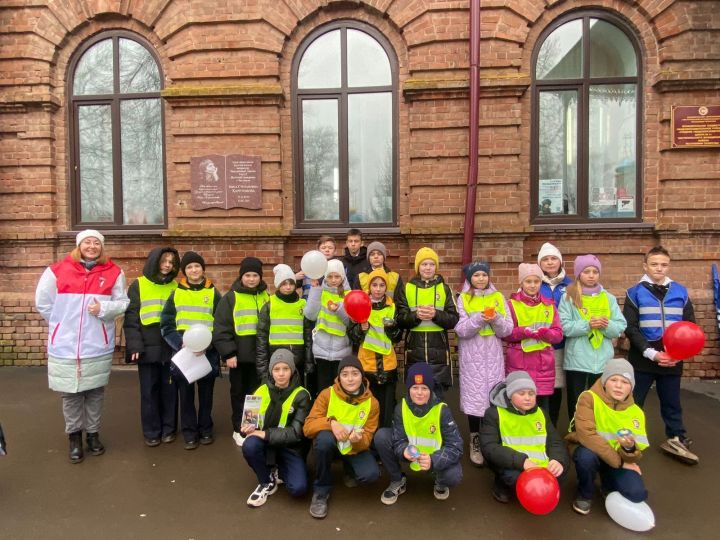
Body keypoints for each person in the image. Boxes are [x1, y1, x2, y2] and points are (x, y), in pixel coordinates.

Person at [35, 230, 129, 463]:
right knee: (70, 394)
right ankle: (74, 437)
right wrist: (61, 325)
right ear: (78, 246)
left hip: (96, 343)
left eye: (96, 243)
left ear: (102, 247)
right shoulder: (56, 271)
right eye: (87, 242)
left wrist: (104, 310)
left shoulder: (114, 272)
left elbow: (123, 302)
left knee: (95, 392)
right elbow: (43, 303)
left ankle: (93, 435)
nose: (91, 246)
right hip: (65, 345)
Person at [623, 246, 698, 464]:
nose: (659, 268)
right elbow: (630, 327)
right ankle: (627, 437)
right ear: (645, 266)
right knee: (634, 400)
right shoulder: (634, 292)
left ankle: (676, 437)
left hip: (673, 354)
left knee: (672, 400)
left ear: (669, 266)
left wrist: (678, 353)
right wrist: (651, 353)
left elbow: (690, 325)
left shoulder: (681, 292)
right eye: (654, 264)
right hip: (643, 354)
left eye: (664, 264)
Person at [566, 358, 649, 515]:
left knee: (637, 494)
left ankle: (607, 485)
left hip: (616, 458)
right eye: (613, 380)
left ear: (631, 386)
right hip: (589, 449)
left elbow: (635, 454)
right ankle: (585, 493)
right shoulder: (588, 398)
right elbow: (587, 436)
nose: (618, 385)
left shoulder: (636, 412)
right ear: (605, 381)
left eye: (625, 382)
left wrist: (629, 448)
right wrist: (619, 463)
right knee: (585, 457)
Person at [303, 356, 380, 519]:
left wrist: (357, 441)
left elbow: (367, 439)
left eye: (355, 373)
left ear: (362, 376)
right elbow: (308, 427)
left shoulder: (372, 403)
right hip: (330, 444)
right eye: (345, 374)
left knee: (371, 475)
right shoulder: (327, 394)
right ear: (339, 377)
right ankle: (321, 491)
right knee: (323, 440)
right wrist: (331, 423)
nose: (350, 379)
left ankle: (348, 467)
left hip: (352, 448)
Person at [375, 363, 463, 504]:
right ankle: (397, 480)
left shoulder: (442, 410)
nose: (419, 393)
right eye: (415, 388)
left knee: (453, 476)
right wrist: (403, 450)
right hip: (412, 455)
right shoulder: (401, 408)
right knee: (382, 436)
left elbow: (456, 446)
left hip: (432, 458)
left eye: (424, 388)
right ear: (409, 389)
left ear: (431, 389)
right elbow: (398, 440)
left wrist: (433, 460)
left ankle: (440, 481)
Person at [160, 251, 222, 450]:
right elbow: (166, 324)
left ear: (203, 269)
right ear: (184, 271)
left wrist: (208, 344)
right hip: (184, 353)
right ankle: (189, 432)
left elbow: (220, 324)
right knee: (185, 395)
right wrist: (180, 344)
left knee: (206, 395)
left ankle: (205, 429)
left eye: (197, 266)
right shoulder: (176, 293)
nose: (194, 270)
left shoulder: (213, 292)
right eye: (189, 267)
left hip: (207, 352)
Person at [455, 261, 513, 466]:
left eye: (484, 275)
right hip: (472, 357)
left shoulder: (498, 298)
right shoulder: (463, 298)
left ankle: (492, 439)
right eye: (476, 275)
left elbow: (507, 330)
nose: (481, 279)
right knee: (473, 398)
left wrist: (495, 318)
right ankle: (475, 438)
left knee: (494, 398)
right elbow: (461, 330)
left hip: (494, 356)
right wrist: (479, 319)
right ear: (470, 278)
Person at [479, 371, 568, 504]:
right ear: (509, 395)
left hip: (540, 464)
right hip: (513, 463)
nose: (528, 398)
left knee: (561, 470)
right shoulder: (494, 414)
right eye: (521, 393)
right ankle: (501, 485)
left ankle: (536, 492)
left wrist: (558, 460)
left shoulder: (541, 413)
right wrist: (522, 462)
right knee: (514, 477)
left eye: (531, 393)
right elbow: (489, 447)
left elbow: (555, 441)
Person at [123, 247, 180, 447]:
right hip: (147, 347)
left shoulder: (176, 286)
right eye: (164, 261)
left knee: (170, 390)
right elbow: (131, 318)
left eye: (171, 262)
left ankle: (169, 429)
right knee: (149, 391)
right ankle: (152, 431)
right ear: (154, 261)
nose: (167, 265)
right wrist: (134, 345)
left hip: (170, 347)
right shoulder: (138, 285)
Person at [559, 254, 626, 421]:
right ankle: (575, 434)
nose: (591, 275)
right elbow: (564, 326)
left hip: (602, 361)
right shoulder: (569, 297)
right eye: (586, 271)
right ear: (578, 274)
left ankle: (597, 433)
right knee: (577, 401)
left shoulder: (608, 298)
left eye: (595, 271)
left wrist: (606, 325)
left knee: (600, 401)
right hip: (577, 360)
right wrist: (587, 325)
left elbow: (620, 326)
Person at [241, 349, 311, 507]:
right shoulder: (261, 390)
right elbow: (249, 421)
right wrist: (246, 428)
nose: (281, 374)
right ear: (271, 371)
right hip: (267, 443)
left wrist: (263, 433)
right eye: (276, 369)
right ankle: (266, 480)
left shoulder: (302, 395)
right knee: (249, 445)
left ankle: (279, 467)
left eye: (285, 369)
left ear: (292, 370)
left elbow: (295, 433)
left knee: (298, 489)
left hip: (290, 447)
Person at [212, 257, 270, 447]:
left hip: (260, 357)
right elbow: (221, 327)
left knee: (256, 395)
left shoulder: (265, 296)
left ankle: (250, 427)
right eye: (248, 275)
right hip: (239, 357)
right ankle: (238, 428)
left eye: (255, 275)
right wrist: (228, 353)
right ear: (241, 276)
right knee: (239, 393)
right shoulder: (231, 297)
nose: (252, 279)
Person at [396, 247, 459, 398]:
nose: (428, 268)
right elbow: (400, 319)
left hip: (439, 352)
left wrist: (436, 314)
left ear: (436, 267)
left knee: (437, 398)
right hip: (414, 351)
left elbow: (454, 319)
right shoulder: (407, 288)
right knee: (416, 396)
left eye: (431, 264)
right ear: (418, 267)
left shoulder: (444, 289)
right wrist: (416, 316)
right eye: (424, 264)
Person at [503, 263, 563, 413]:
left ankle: (544, 436)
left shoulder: (549, 306)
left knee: (542, 409)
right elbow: (505, 334)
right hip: (519, 362)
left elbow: (558, 334)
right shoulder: (511, 305)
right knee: (519, 406)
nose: (532, 285)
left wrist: (546, 333)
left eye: (536, 281)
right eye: (528, 281)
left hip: (543, 365)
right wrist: (524, 332)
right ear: (521, 283)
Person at [347, 268, 403, 428]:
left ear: (386, 288)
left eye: (381, 285)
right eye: (375, 285)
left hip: (388, 365)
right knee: (367, 409)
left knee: (387, 411)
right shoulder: (360, 305)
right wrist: (360, 329)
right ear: (369, 287)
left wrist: (391, 328)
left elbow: (398, 337)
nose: (378, 289)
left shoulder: (393, 307)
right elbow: (352, 336)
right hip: (367, 365)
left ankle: (384, 443)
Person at [256, 264, 313, 382]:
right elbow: (261, 337)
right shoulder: (269, 305)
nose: (288, 287)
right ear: (278, 285)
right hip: (275, 358)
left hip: (298, 358)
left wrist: (309, 362)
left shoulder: (302, 304)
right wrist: (262, 367)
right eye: (284, 284)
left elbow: (308, 337)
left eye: (291, 283)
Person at [304, 259, 352, 393]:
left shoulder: (348, 295)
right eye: (330, 276)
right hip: (321, 350)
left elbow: (350, 322)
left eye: (337, 276)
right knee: (323, 391)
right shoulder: (320, 292)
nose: (334, 280)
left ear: (342, 277)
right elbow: (310, 315)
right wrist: (314, 290)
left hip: (342, 351)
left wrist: (339, 309)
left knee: (339, 390)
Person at [538, 242, 573, 427]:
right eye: (545, 259)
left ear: (560, 262)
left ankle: (553, 425)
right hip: (539, 345)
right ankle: (540, 426)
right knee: (540, 388)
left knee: (557, 386)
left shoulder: (571, 285)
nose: (550, 263)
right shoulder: (534, 282)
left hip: (561, 345)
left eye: (553, 259)